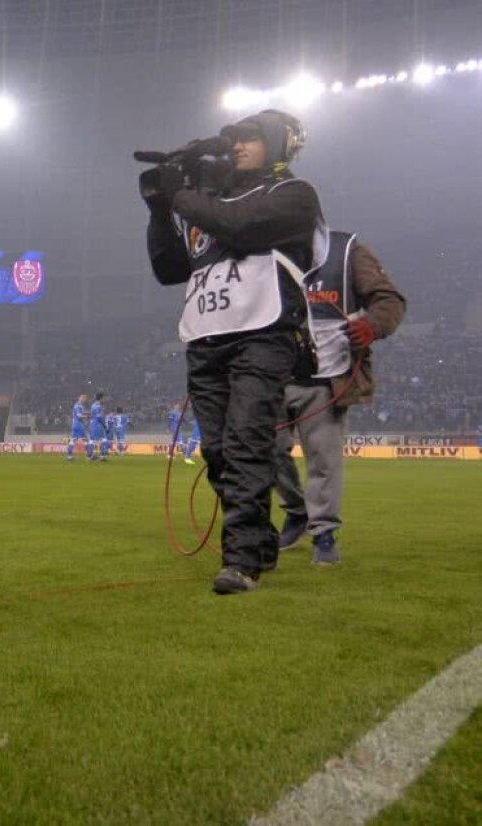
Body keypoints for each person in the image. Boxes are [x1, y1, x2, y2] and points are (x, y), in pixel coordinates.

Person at [141, 108, 326, 594]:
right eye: (235, 139)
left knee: (245, 443)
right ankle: (260, 544)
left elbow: (241, 227)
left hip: (263, 336)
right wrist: (160, 209)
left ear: (278, 144)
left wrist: (181, 195)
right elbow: (168, 268)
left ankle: (240, 562)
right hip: (207, 341)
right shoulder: (209, 207)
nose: (239, 146)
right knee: (218, 450)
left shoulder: (293, 195)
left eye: (250, 138)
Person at [274, 231, 406, 564]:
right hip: (271, 374)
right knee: (264, 451)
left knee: (324, 461)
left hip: (328, 379)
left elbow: (389, 299)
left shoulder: (347, 250)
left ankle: (323, 534)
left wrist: (373, 326)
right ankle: (296, 510)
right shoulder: (265, 249)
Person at [87, 392, 109, 461]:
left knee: (92, 440)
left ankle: (89, 456)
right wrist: (105, 426)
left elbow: (92, 415)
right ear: (101, 398)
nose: (105, 399)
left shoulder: (93, 405)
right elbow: (99, 417)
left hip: (92, 424)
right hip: (97, 424)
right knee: (103, 439)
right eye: (104, 398)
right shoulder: (98, 406)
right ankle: (102, 455)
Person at [66, 393, 88, 462]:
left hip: (74, 424)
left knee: (72, 440)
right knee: (85, 440)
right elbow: (79, 415)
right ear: (80, 398)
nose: (85, 400)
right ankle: (89, 455)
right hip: (79, 424)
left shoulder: (76, 405)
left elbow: (79, 414)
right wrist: (87, 417)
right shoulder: (79, 406)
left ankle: (69, 456)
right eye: (84, 398)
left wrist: (86, 414)